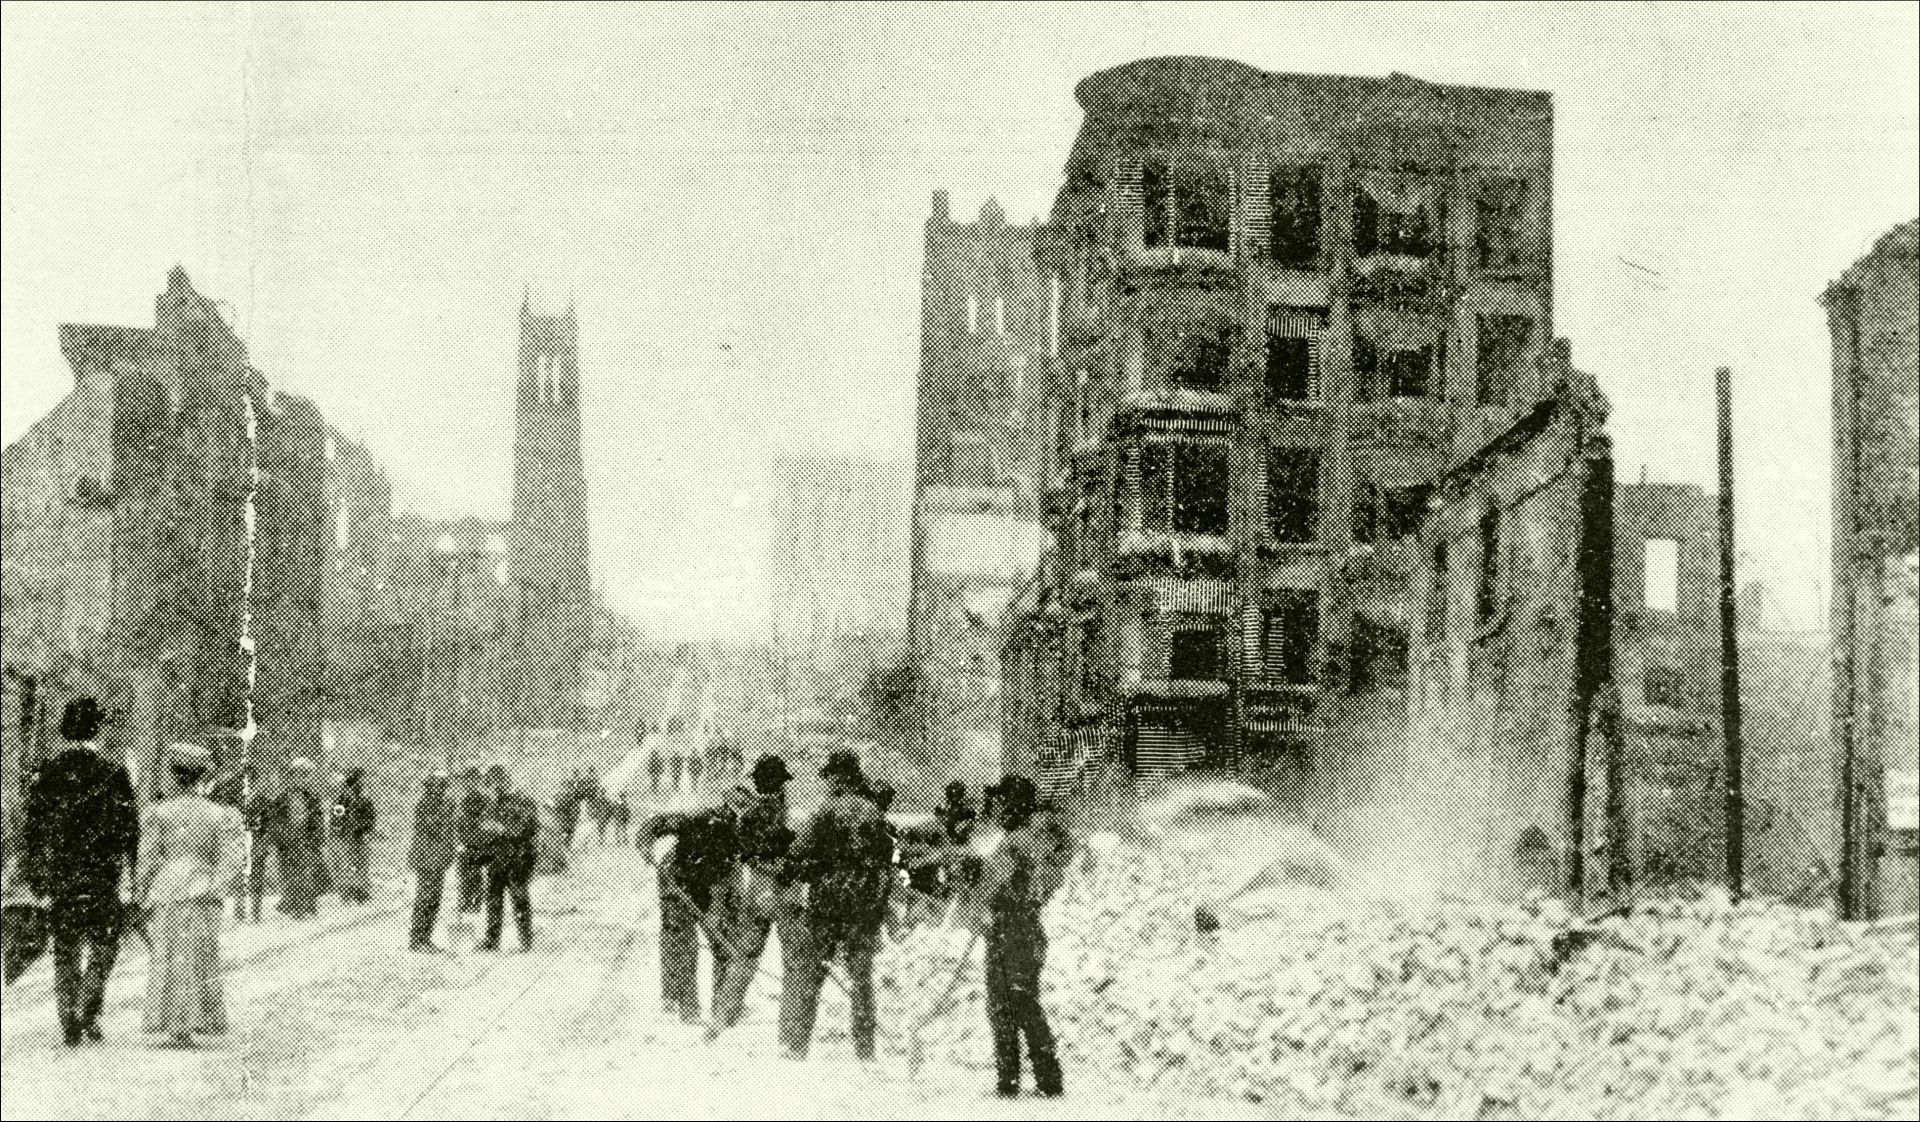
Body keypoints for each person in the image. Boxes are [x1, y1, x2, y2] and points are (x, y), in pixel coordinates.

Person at [19, 698, 140, 1047]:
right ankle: (90, 1003)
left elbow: (34, 828)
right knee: (105, 941)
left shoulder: (48, 773)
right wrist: (132, 870)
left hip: (62, 872)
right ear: (96, 731)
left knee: (66, 943)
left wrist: (36, 873)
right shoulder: (114, 773)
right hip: (103, 873)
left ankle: (67, 1013)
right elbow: (129, 830)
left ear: (64, 731)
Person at [778, 750, 893, 1062]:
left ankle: (797, 1047)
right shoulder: (873, 812)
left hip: (826, 904)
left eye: (829, 774)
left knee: (810, 974)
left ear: (841, 776)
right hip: (862, 906)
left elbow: (798, 852)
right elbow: (886, 861)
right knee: (862, 980)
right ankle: (865, 1051)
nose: (826, 780)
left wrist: (796, 868)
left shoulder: (825, 810)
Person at [136, 744, 245, 1049]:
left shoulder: (158, 813)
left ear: (173, 774)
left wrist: (141, 892)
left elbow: (147, 858)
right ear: (202, 776)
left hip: (167, 890)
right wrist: (216, 886)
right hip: (202, 892)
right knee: (200, 955)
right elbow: (233, 858)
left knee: (167, 955)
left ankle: (173, 1026)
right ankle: (195, 1021)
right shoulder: (220, 815)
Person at [972, 776, 1070, 1098]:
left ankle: (1009, 1080)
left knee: (1005, 1006)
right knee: (1026, 1002)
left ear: (1013, 806)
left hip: (1009, 932)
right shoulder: (1038, 840)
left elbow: (990, 888)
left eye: (1001, 803)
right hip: (1029, 930)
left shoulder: (1013, 843)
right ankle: (1048, 1077)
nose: (997, 809)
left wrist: (979, 904)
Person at [707, 755, 799, 1040]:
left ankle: (721, 1019)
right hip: (782, 886)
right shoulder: (773, 809)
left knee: (744, 955)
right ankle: (790, 1034)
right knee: (793, 960)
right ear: (778, 782)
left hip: (758, 885)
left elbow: (745, 848)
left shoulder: (751, 812)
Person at [641, 790, 743, 1023]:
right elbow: (652, 825)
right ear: (724, 809)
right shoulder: (696, 818)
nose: (739, 815)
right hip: (676, 884)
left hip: (710, 885)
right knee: (683, 944)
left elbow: (731, 881)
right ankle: (687, 1008)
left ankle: (723, 1008)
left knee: (724, 940)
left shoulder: (743, 835)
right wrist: (647, 849)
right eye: (736, 808)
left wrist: (719, 911)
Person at [475, 765, 539, 952]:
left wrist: (504, 830)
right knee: (494, 899)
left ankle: (525, 941)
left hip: (519, 858)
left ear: (505, 780)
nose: (494, 788)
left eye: (496, 783)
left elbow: (529, 827)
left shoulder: (524, 801)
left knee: (520, 898)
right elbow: (484, 825)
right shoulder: (494, 803)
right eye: (492, 785)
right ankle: (492, 940)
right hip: (498, 858)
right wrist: (490, 829)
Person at [407, 770, 459, 952]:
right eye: (437, 784)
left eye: (443, 785)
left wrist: (451, 850)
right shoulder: (424, 804)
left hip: (439, 859)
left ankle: (426, 938)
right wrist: (448, 812)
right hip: (426, 859)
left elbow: (449, 832)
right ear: (430, 786)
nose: (441, 788)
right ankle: (417, 939)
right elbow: (434, 828)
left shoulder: (445, 804)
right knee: (425, 897)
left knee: (435, 898)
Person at [270, 759, 325, 917]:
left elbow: (318, 821)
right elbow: (275, 821)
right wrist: (282, 839)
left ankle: (306, 906)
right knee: (289, 874)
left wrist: (315, 840)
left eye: (303, 776)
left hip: (306, 842)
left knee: (306, 874)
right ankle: (293, 905)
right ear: (291, 777)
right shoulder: (281, 799)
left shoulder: (312, 798)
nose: (299, 780)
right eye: (296, 776)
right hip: (287, 843)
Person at [331, 768, 376, 904]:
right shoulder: (341, 801)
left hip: (359, 836)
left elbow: (371, 818)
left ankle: (360, 892)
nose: (359, 786)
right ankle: (348, 892)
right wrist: (338, 830)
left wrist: (366, 829)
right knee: (348, 864)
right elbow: (336, 818)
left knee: (359, 863)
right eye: (357, 783)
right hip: (346, 837)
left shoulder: (364, 800)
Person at [454, 771, 491, 916]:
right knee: (464, 875)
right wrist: (458, 842)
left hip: (479, 844)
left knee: (476, 875)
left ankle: (476, 905)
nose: (470, 783)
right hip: (464, 844)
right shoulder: (461, 799)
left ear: (478, 781)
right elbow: (456, 822)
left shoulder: (484, 799)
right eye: (467, 780)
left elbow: (487, 820)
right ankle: (464, 903)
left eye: (473, 780)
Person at [937, 780, 977, 845]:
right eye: (952, 792)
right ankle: (949, 839)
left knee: (965, 825)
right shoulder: (947, 804)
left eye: (957, 792)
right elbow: (940, 814)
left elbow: (972, 816)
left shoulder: (964, 804)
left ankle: (960, 839)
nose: (954, 793)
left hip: (960, 825)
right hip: (949, 827)